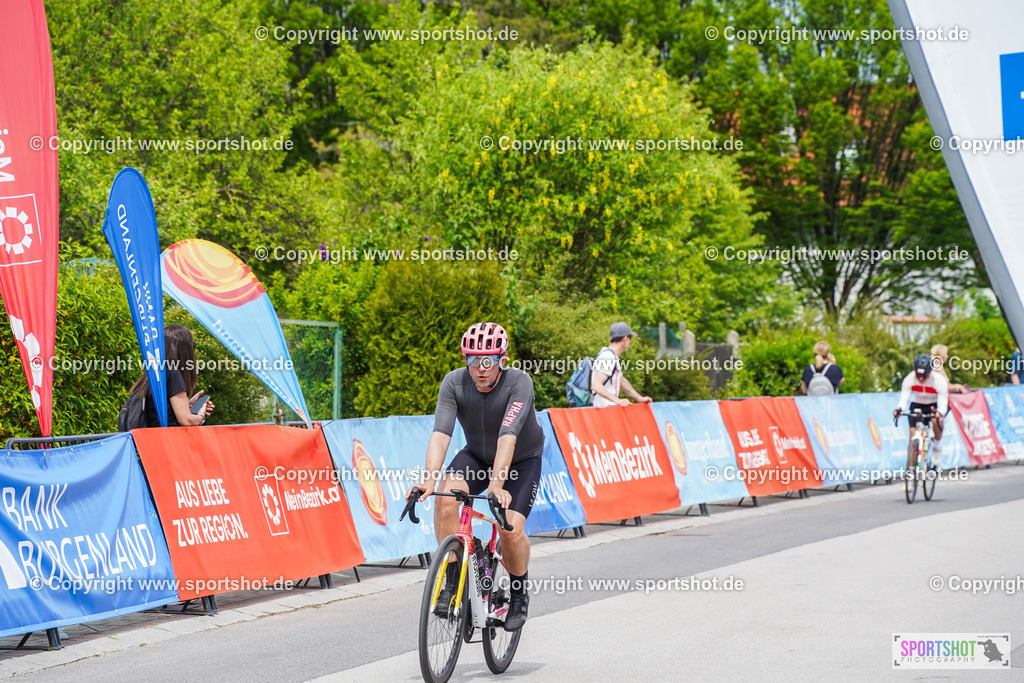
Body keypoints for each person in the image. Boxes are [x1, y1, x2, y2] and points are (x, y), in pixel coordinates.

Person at [406, 322, 544, 632]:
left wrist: (497, 484)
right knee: (444, 500)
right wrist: (429, 480)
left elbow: (508, 436)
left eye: (488, 361)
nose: (480, 369)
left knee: (510, 528)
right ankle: (453, 581)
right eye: (472, 359)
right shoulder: (454, 382)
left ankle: (519, 594)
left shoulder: (519, 383)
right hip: (478, 456)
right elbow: (441, 434)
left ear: (502, 360)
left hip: (520, 461)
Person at [127, 324, 213, 427]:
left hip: (147, 439)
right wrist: (201, 415)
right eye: (192, 346)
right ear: (184, 350)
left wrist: (188, 404)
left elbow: (160, 413)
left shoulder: (153, 373)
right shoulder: (173, 373)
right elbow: (186, 420)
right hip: (165, 440)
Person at [893, 353, 949, 470]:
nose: (921, 379)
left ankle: (937, 447)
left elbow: (943, 404)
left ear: (930, 372)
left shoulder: (939, 380)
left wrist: (940, 412)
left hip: (934, 404)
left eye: (924, 376)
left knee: (936, 420)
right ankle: (911, 469)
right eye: (918, 375)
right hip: (918, 404)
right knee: (913, 434)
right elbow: (904, 399)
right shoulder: (910, 379)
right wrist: (899, 409)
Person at [590, 322, 652, 407]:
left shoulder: (612, 357)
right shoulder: (607, 356)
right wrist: (618, 400)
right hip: (602, 411)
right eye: (630, 338)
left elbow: (621, 380)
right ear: (625, 338)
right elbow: (596, 385)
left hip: (608, 409)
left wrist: (639, 398)